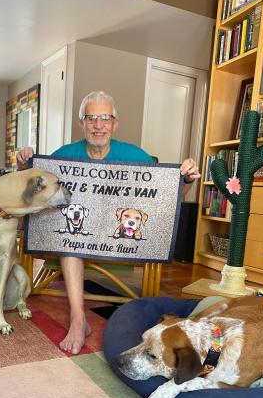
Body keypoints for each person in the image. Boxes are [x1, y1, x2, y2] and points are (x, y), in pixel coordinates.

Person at [17, 91, 200, 354]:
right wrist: (24, 167)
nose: (98, 125)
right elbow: (34, 190)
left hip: (118, 240)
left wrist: (186, 180)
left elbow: (167, 200)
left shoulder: (135, 156)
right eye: (91, 118)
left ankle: (82, 318)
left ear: (115, 123)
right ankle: (78, 320)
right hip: (78, 237)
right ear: (82, 124)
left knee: (75, 241)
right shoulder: (64, 155)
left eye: (105, 118)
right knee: (73, 242)